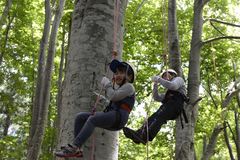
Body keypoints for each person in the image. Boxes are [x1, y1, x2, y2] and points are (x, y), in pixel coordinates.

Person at [55, 59, 136, 158]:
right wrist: (103, 100)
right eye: (116, 73)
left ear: (130, 76)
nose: (117, 75)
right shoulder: (120, 89)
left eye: (122, 73)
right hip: (113, 116)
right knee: (80, 117)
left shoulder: (129, 87)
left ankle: (75, 147)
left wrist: (108, 85)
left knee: (93, 119)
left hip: (119, 118)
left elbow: (113, 96)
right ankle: (78, 149)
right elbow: (114, 100)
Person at [123, 69, 187, 145]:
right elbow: (157, 97)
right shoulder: (168, 93)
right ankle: (140, 133)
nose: (165, 78)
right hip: (169, 106)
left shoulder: (178, 79)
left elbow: (173, 86)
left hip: (176, 104)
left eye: (166, 75)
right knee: (154, 117)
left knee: (160, 115)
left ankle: (145, 136)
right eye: (163, 77)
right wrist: (155, 85)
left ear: (172, 74)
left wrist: (159, 79)